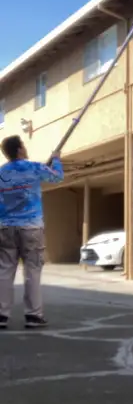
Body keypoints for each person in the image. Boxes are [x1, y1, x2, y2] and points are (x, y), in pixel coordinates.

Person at [0, 135, 64, 330]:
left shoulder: (1, 173)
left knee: (4, 270)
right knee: (33, 270)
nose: (25, 148)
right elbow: (56, 177)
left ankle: (1, 315)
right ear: (19, 149)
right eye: (23, 145)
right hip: (31, 227)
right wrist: (56, 160)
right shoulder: (34, 168)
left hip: (5, 227)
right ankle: (33, 315)